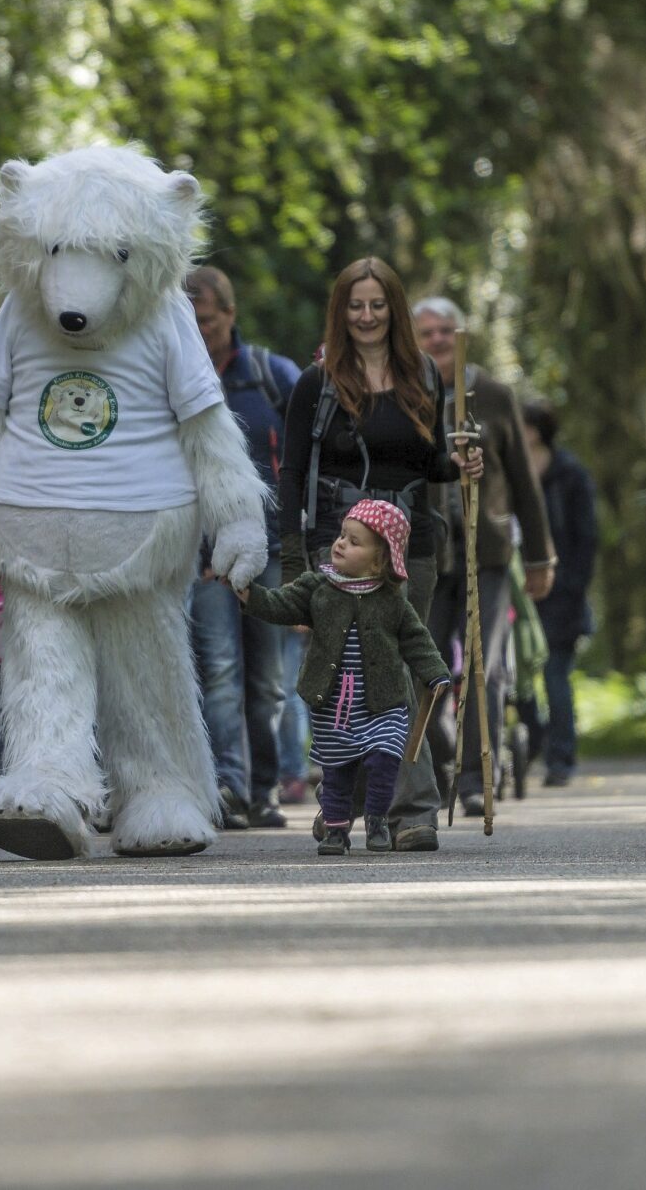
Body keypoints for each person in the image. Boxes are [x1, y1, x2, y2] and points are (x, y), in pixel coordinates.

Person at [274, 257, 483, 852]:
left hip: (410, 543)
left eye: (377, 305)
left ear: (394, 309)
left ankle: (409, 811)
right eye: (355, 306)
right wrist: (293, 571)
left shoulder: (422, 374)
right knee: (345, 674)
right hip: (337, 552)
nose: (366, 316)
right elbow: (291, 477)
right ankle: (347, 804)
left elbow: (428, 463)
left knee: (399, 664)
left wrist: (462, 461)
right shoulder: (317, 384)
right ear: (341, 313)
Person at [409, 298, 555, 817]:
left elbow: (522, 481)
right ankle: (435, 766)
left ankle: (475, 779)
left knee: (483, 667)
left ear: (462, 334)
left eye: (446, 331)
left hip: (486, 555)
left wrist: (540, 558)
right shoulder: (404, 392)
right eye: (426, 333)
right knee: (422, 669)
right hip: (426, 556)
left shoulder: (493, 396)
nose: (437, 341)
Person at [244, 500, 452, 855]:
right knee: (337, 769)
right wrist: (246, 592)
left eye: (354, 542)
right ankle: (336, 831)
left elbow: (418, 641)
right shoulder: (317, 587)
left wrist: (436, 674)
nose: (340, 543)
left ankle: (376, 819)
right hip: (334, 703)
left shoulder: (392, 600)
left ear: (379, 560)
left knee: (385, 756)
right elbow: (279, 605)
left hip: (383, 702)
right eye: (342, 535)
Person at [183, 265, 300, 829]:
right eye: (190, 322)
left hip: (272, 549)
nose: (199, 332)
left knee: (269, 679)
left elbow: (306, 459)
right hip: (202, 554)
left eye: (207, 321)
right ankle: (227, 786)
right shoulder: (173, 378)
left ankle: (265, 787)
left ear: (230, 315)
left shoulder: (271, 375)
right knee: (220, 670)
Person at [520, 398, 600, 786]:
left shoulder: (570, 474)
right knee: (516, 677)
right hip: (519, 590)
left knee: (555, 675)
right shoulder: (512, 471)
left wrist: (571, 585)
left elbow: (587, 537)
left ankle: (561, 759)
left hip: (563, 594)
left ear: (536, 430)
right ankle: (532, 740)